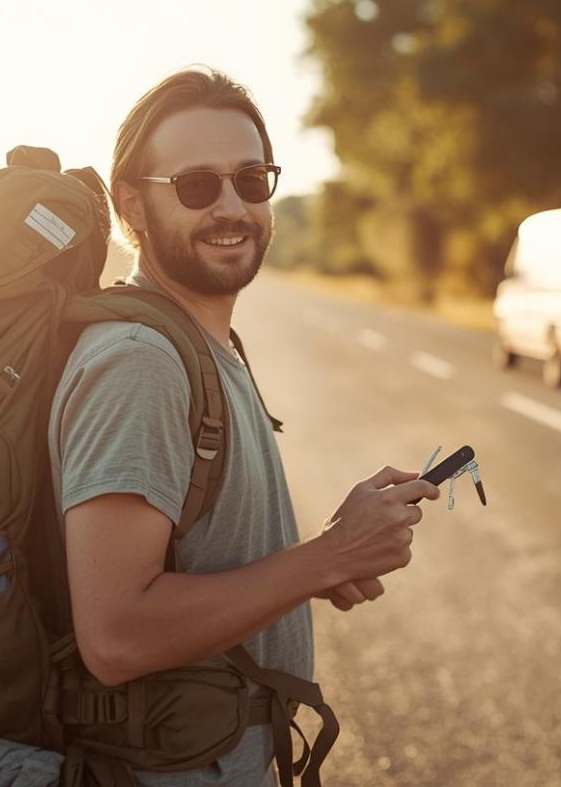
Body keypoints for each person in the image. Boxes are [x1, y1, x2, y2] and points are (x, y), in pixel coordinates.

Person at [50, 66, 440, 786]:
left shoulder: (206, 346)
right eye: (196, 186)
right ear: (132, 204)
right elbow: (116, 635)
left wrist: (321, 562)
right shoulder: (140, 364)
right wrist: (326, 558)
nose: (232, 207)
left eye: (251, 180)